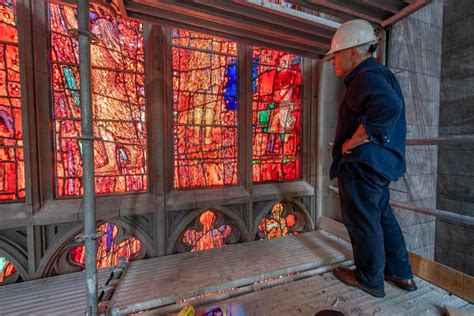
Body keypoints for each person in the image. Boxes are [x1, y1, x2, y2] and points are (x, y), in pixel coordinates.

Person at [323, 19, 417, 298]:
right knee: (381, 216)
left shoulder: (366, 76)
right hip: (379, 164)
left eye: (336, 54)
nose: (333, 61)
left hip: (363, 163)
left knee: (362, 220)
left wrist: (354, 140)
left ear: (353, 51)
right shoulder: (376, 73)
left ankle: (369, 278)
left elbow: (387, 108)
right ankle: (400, 273)